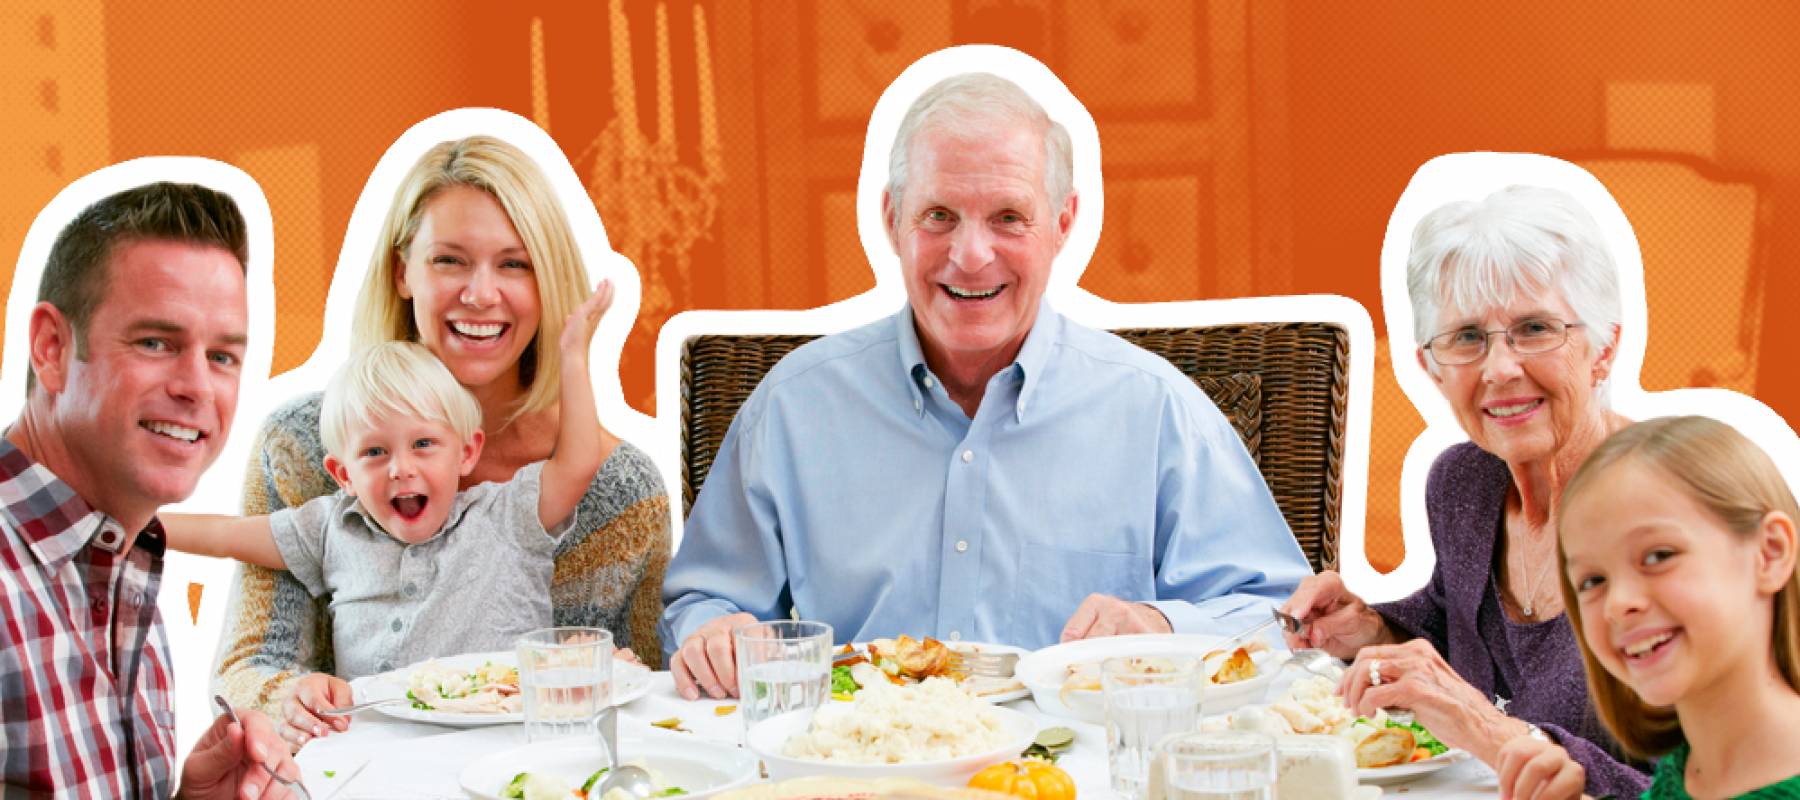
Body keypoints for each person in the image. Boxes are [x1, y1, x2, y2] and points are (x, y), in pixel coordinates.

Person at [660, 71, 1311, 700]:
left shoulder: (1157, 411)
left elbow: (1282, 620)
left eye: (1008, 217)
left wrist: (1161, 626)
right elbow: (704, 603)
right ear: (892, 220)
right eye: (939, 215)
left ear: (1063, 224)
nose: (971, 255)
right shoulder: (793, 408)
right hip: (860, 755)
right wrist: (712, 633)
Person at [213, 135, 670, 750]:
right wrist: (285, 698)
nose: (480, 294)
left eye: (515, 264)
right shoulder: (300, 445)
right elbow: (250, 666)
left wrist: (622, 675)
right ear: (402, 272)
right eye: (450, 260)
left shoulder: (619, 493)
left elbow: (641, 712)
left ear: (548, 282)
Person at [1281, 185, 1649, 793]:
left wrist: (1494, 733)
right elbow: (1461, 629)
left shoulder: (1680, 516)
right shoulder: (1464, 482)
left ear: (1604, 347)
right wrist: (1372, 631)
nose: (1499, 369)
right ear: (1432, 368)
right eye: (1467, 337)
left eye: (1535, 328)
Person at [0, 181, 301, 796]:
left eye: (222, 356)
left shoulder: (122, 551)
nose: (197, 387)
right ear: (51, 348)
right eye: (156, 343)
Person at [168, 278, 606, 682]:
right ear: (344, 475)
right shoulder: (331, 528)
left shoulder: (509, 516)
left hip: (500, 725)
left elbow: (579, 462)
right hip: (374, 735)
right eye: (375, 453)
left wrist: (573, 356)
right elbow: (225, 535)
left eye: (423, 444)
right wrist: (141, 526)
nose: (401, 468)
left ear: (466, 452)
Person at [1497, 416, 1800, 799]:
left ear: (1770, 553)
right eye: (1592, 581)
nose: (1618, 603)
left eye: (1658, 556)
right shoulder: (1687, 766)